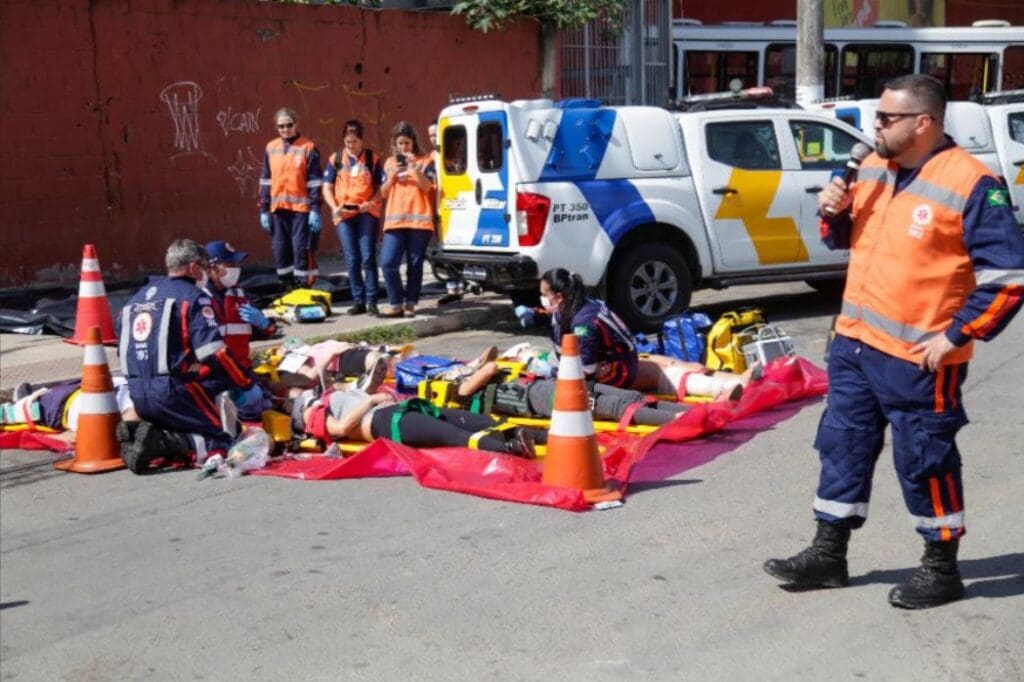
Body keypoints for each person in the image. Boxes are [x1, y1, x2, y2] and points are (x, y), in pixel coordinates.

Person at [763, 75, 1024, 609]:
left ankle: (940, 568)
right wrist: (831, 209)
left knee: (924, 459)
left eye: (886, 118)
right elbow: (845, 239)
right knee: (842, 447)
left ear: (923, 122)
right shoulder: (873, 169)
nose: (873, 126)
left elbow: (1009, 276)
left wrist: (957, 336)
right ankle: (828, 553)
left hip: (920, 360)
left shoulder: (972, 183)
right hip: (856, 345)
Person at [116, 239, 266, 474]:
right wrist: (244, 384)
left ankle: (143, 435)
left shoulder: (136, 300)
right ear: (195, 268)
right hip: (173, 390)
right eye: (205, 268)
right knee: (224, 443)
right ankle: (163, 443)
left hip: (137, 391)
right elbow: (215, 353)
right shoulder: (194, 298)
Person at [516, 268, 756, 399]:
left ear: (559, 296)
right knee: (666, 363)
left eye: (544, 295)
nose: (543, 300)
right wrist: (535, 313)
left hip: (610, 368)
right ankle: (733, 380)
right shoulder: (579, 304)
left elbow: (585, 370)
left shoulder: (583, 324)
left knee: (663, 373)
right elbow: (556, 318)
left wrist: (551, 369)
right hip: (621, 356)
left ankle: (725, 386)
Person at [290, 387, 545, 458]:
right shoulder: (314, 414)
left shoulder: (329, 395)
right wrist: (370, 401)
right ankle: (513, 449)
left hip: (399, 410)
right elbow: (341, 429)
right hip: (385, 422)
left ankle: (543, 435)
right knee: (453, 434)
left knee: (477, 421)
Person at [202, 240, 275, 420]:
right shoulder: (200, 299)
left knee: (271, 402)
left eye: (236, 264)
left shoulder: (239, 294)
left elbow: (262, 331)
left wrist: (264, 324)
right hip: (215, 378)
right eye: (230, 264)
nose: (236, 268)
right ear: (212, 267)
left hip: (243, 372)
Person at [322, 119, 383, 316]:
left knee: (367, 257)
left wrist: (371, 202)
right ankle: (359, 301)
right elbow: (327, 186)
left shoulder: (372, 159)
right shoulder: (336, 159)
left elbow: (382, 187)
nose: (351, 146)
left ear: (361, 140)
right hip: (344, 215)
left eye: (355, 142)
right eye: (348, 142)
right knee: (351, 258)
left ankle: (372, 301)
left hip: (366, 214)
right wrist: (334, 207)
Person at [259, 107, 323, 291]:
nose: (285, 129)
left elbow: (314, 182)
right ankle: (286, 287)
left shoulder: (308, 147)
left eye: (289, 125)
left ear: (296, 124)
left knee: (300, 250)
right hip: (278, 209)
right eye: (281, 126)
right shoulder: (271, 147)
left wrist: (315, 210)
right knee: (280, 251)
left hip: (301, 211)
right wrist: (263, 209)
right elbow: (265, 180)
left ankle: (303, 288)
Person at [378, 121, 436, 318]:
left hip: (419, 222)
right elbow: (383, 193)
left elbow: (428, 187)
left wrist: (414, 169)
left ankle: (410, 304)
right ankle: (395, 303)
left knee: (415, 264)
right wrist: (392, 177)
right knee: (387, 262)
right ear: (395, 144)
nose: (403, 148)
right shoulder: (388, 163)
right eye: (400, 144)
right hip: (395, 221)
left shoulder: (426, 161)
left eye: (407, 144)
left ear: (414, 143)